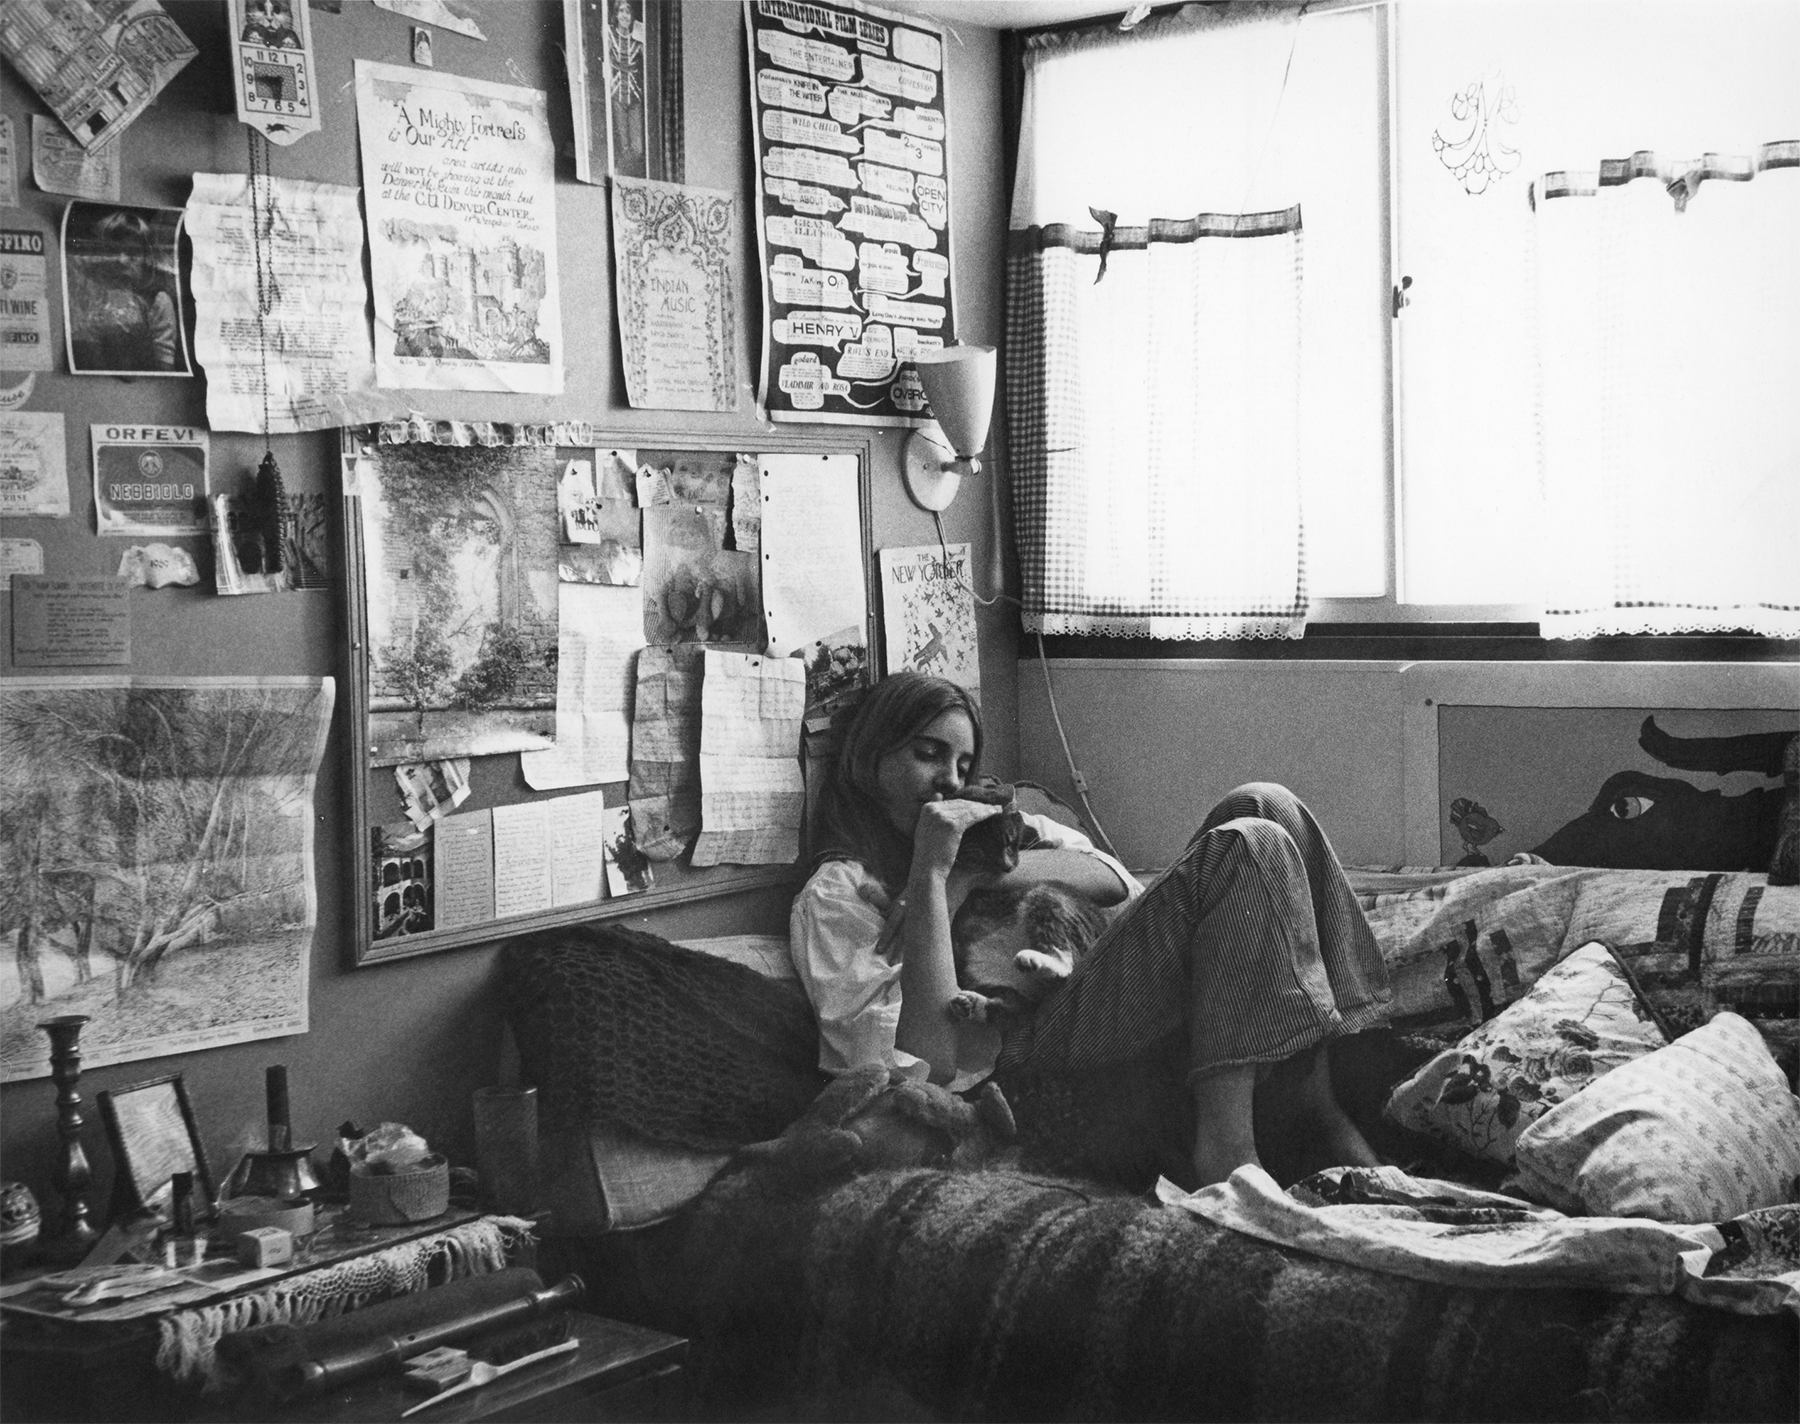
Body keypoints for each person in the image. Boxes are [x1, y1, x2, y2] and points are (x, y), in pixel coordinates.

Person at [790, 671, 1392, 1189]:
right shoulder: (838, 896)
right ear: (871, 762)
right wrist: (932, 879)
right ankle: (1227, 1150)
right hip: (1013, 1056)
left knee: (1263, 804)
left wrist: (981, 873)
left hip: (1077, 989)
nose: (950, 780)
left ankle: (1320, 1102)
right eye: (927, 755)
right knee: (1246, 847)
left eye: (964, 763)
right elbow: (922, 1064)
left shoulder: (989, 839)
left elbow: (1114, 881)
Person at [72, 211, 180, 373]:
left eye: (132, 252)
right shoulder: (87, 292)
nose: (121, 260)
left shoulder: (157, 301)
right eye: (113, 251)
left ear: (145, 255)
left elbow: (163, 365)